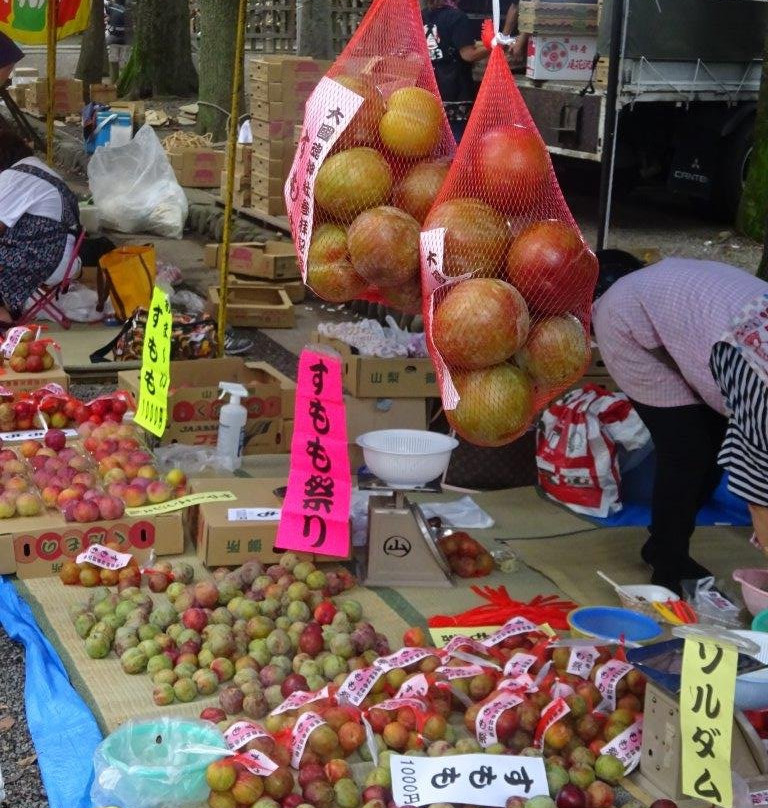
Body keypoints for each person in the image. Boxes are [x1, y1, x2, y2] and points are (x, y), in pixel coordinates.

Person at [591, 255, 768, 595]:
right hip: (626, 317)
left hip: (701, 317)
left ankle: (662, 546)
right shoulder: (759, 391)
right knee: (688, 450)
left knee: (713, 440)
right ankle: (669, 561)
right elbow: (758, 494)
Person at [0, 130, 81, 323]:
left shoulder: (15, 176)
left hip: (44, 258)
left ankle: (4, 320)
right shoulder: (34, 169)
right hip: (58, 256)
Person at [423, 0, 488, 142]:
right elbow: (468, 54)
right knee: (456, 140)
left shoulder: (423, 16)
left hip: (429, 89)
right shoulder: (457, 18)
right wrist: (493, 45)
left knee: (435, 140)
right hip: (455, 91)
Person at [105, 0, 131, 84]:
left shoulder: (112, 7)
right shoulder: (128, 10)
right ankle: (123, 82)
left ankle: (114, 83)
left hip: (114, 39)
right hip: (126, 40)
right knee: (124, 63)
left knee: (113, 61)